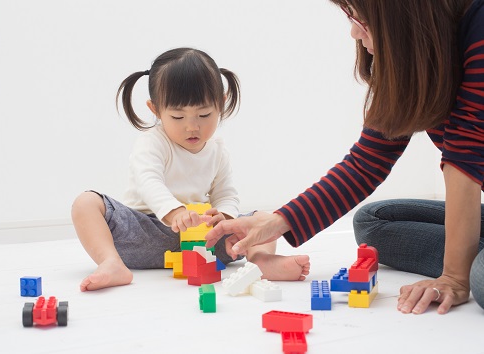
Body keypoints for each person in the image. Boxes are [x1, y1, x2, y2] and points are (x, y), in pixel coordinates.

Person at [205, 0, 484, 315]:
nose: (354, 32)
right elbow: (365, 165)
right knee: (373, 222)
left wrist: (456, 277)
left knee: (480, 279)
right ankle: (470, 249)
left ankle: (470, 259)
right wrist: (278, 220)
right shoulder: (422, 59)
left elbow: (466, 153)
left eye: (360, 19)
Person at [71, 47, 310, 292]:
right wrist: (175, 213)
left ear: (221, 104)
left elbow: (226, 193)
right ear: (155, 110)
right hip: (148, 232)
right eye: (177, 117)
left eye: (204, 114)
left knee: (263, 218)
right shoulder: (153, 142)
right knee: (86, 202)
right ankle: (111, 262)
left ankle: (260, 261)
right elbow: (149, 181)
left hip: (205, 241)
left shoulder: (217, 149)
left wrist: (225, 218)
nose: (192, 127)